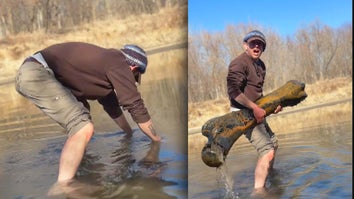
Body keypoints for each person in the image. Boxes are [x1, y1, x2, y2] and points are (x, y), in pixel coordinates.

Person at [15, 42, 161, 182]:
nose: (132, 81)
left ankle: (80, 166)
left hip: (35, 71)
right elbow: (135, 105)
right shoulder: (119, 62)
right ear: (134, 67)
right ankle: (64, 185)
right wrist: (156, 140)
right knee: (83, 127)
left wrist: (128, 133)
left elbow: (113, 108)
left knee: (83, 119)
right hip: (37, 73)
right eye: (134, 77)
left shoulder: (106, 66)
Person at [226, 30, 282, 189]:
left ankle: (269, 173)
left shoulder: (261, 65)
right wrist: (254, 108)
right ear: (245, 45)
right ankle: (258, 191)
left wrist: (271, 107)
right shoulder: (239, 63)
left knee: (273, 143)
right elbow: (233, 92)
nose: (256, 46)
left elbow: (257, 92)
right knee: (267, 150)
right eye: (253, 43)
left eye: (260, 44)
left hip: (256, 110)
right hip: (242, 113)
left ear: (263, 48)